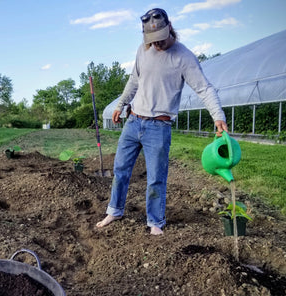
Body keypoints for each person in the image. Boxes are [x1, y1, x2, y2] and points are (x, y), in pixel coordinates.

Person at [96, 8, 228, 235]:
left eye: (159, 40)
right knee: (120, 169)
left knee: (156, 178)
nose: (156, 45)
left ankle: (155, 222)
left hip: (159, 126)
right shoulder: (143, 50)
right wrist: (120, 105)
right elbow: (133, 81)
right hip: (134, 121)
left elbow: (204, 88)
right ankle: (114, 210)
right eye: (151, 41)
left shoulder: (183, 57)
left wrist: (218, 117)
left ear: (169, 28)